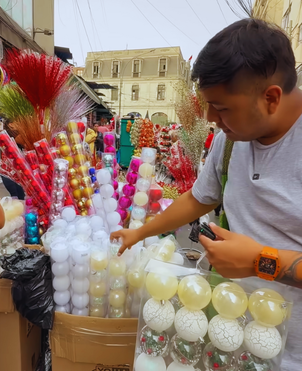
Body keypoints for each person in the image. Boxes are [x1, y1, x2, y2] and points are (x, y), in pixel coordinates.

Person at [111, 18, 302, 368]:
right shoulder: (233, 141)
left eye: (223, 107)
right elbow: (200, 198)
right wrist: (139, 232)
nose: (212, 118)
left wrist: (262, 260)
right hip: (229, 339)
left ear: (271, 97)